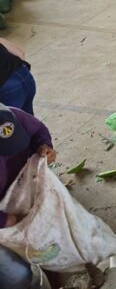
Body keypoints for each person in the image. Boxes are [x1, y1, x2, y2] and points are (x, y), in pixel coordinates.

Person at [0, 104, 57, 289]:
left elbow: (38, 130)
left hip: (21, 188)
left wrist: (44, 145)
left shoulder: (12, 115)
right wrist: (5, 219)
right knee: (18, 276)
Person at [0, 39, 35, 115]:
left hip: (5, 89)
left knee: (11, 124)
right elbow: (19, 53)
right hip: (23, 74)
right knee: (28, 123)